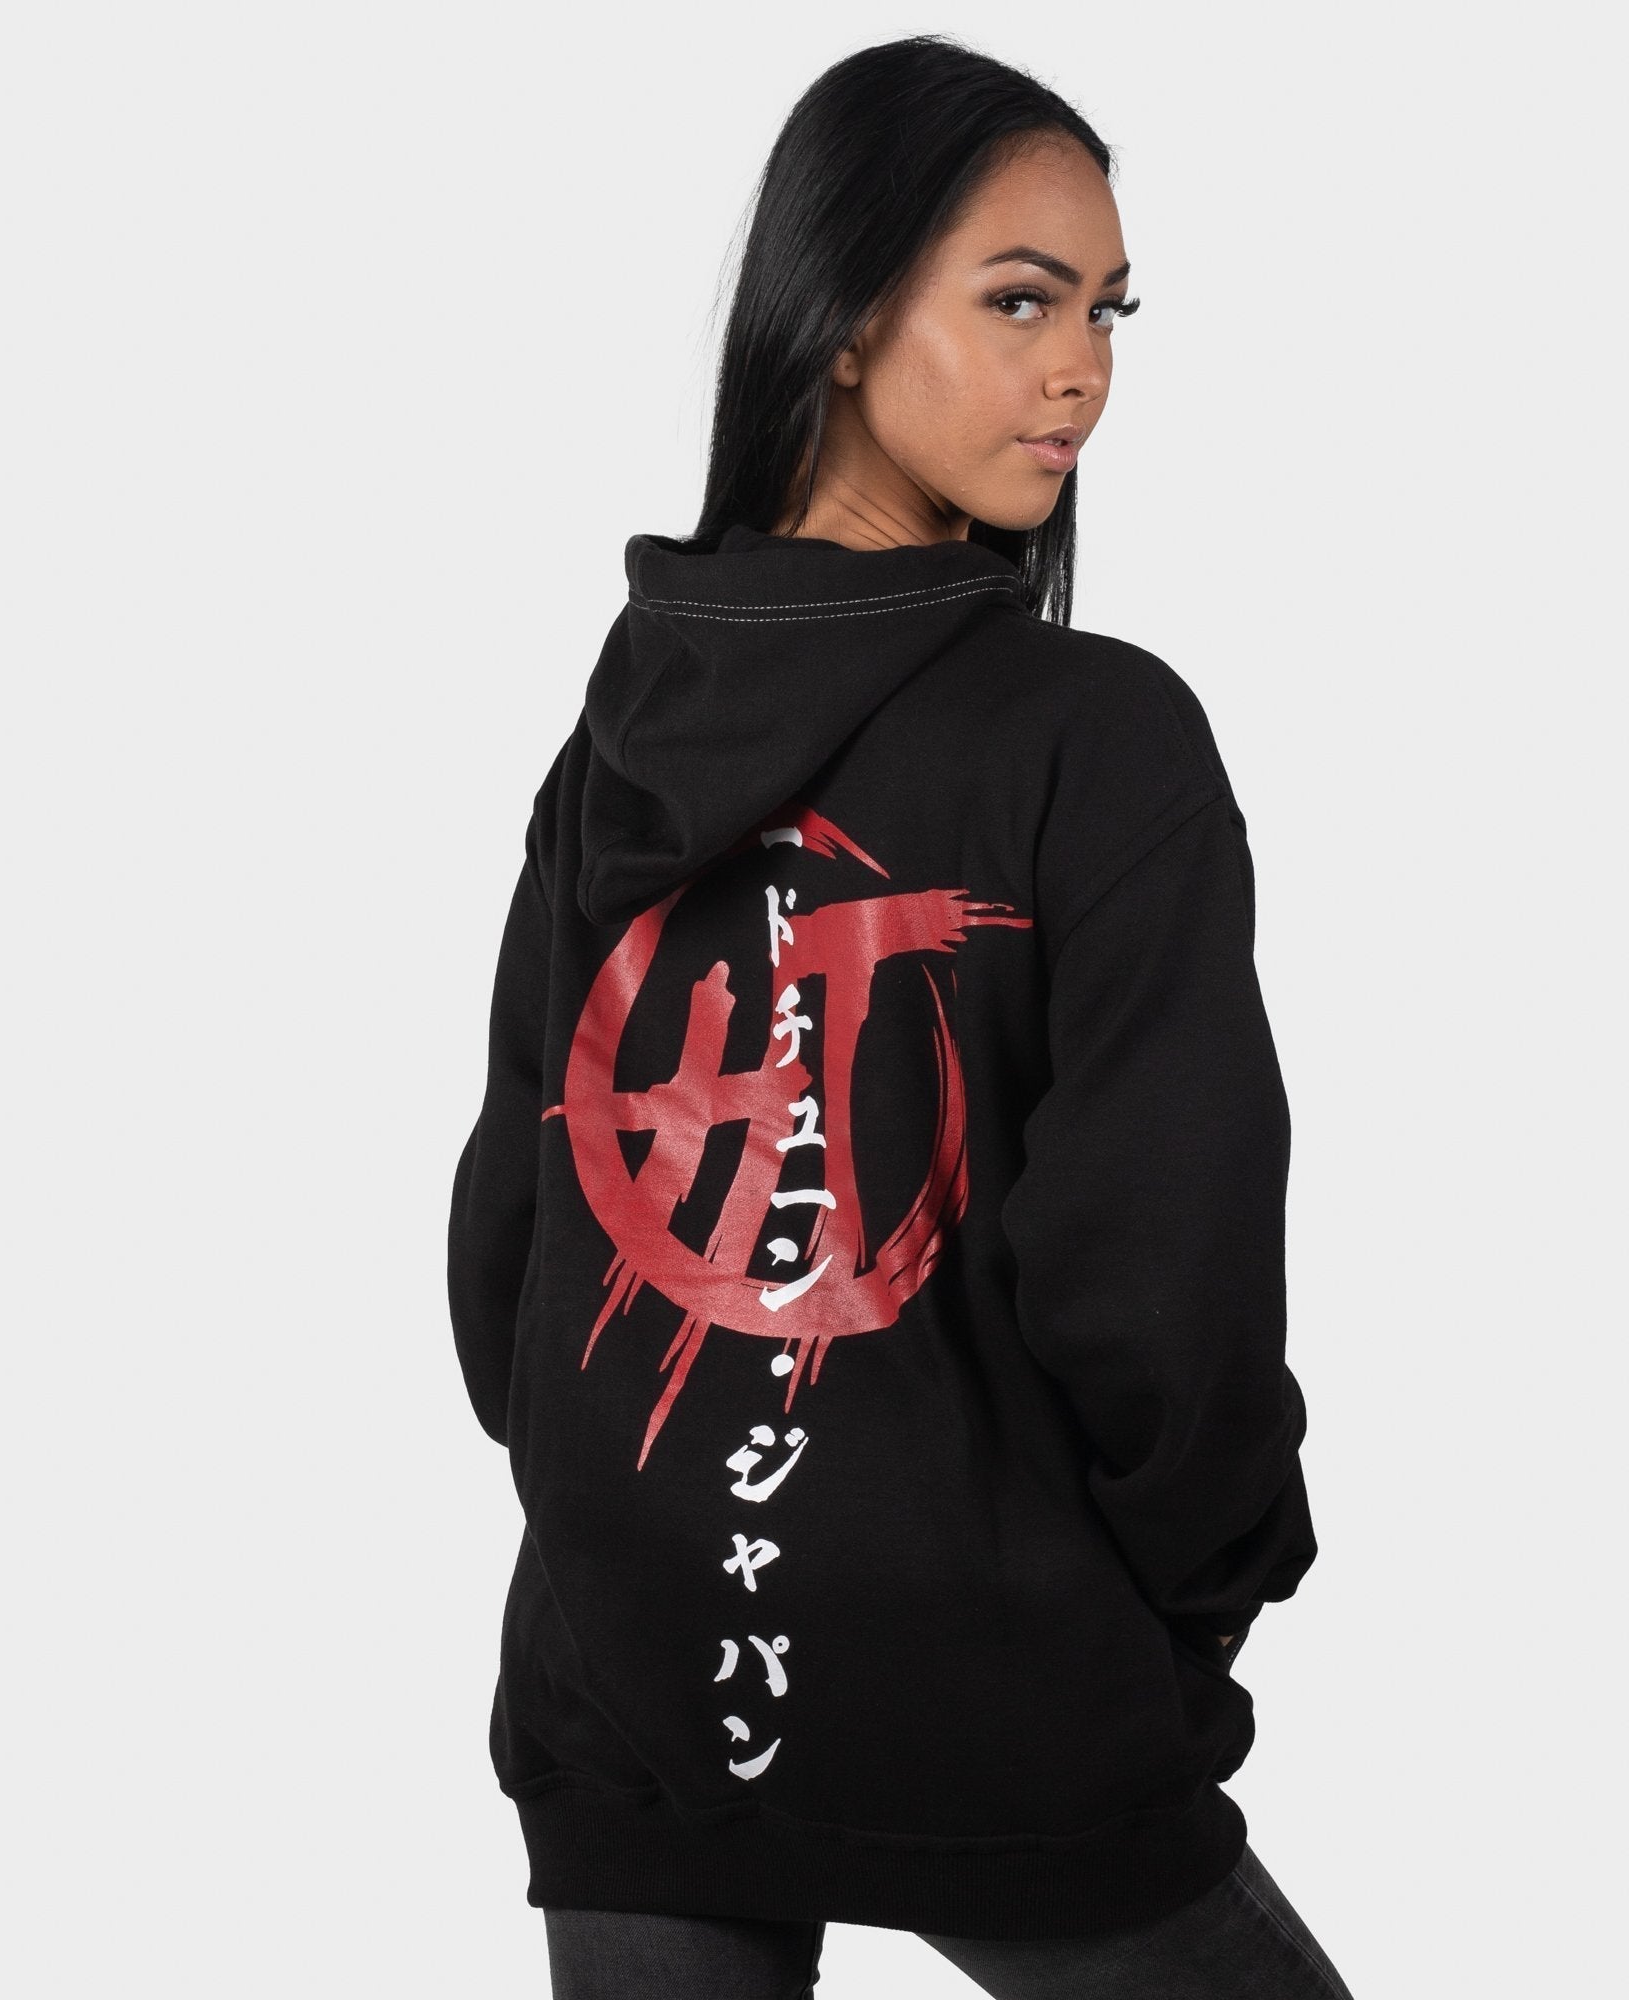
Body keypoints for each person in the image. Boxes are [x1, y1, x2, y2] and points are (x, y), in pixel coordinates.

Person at [447, 32, 1356, 1999]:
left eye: (1108, 310)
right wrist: (1199, 1587)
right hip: (999, 1677)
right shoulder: (1098, 739)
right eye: (1021, 299)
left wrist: (629, 1519)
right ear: (844, 317)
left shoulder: (622, 732)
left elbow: (508, 1254)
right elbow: (1162, 1271)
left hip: (631, 1683)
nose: (1081, 369)